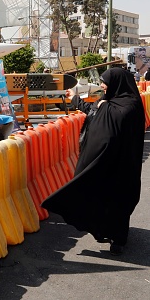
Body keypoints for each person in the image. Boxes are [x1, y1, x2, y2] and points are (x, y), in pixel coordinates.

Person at [42, 67, 145, 255]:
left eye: (105, 82)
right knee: (109, 198)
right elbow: (91, 110)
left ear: (117, 83)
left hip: (120, 164)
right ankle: (111, 234)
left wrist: (103, 107)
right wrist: (75, 99)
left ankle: (118, 239)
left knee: (116, 198)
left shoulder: (124, 107)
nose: (103, 86)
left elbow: (108, 123)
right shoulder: (123, 103)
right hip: (117, 163)